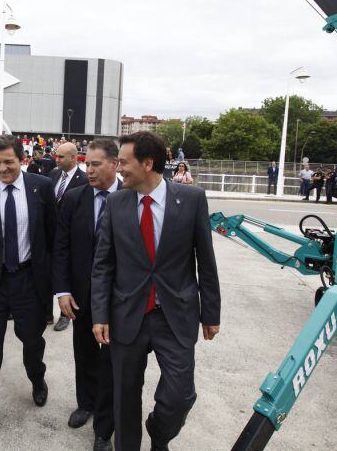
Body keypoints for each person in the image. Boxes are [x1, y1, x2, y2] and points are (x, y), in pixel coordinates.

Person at [91, 131, 220, 451]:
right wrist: (100, 314)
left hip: (174, 315)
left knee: (179, 396)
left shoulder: (191, 199)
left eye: (123, 161)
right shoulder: (117, 202)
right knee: (126, 398)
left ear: (148, 163)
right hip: (127, 314)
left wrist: (211, 313)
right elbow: (103, 264)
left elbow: (206, 259)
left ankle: (159, 434)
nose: (118, 168)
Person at [0, 135, 57, 444]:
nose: (1, 168)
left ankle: (37, 377)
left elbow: (52, 239)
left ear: (22, 159)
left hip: (29, 280)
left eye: (8, 162)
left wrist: (56, 285)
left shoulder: (40, 188)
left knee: (31, 341)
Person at [53, 139, 121, 451]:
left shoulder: (132, 197)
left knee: (112, 360)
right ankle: (86, 403)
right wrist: (63, 291)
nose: (88, 170)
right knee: (84, 351)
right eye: (86, 164)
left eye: (95, 164)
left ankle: (107, 420)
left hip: (120, 298)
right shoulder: (74, 198)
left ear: (115, 164)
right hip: (81, 294)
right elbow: (61, 248)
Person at [48, 142, 88, 331]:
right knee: (47, 273)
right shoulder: (53, 175)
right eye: (57, 156)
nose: (57, 159)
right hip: (51, 234)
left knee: (67, 274)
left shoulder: (85, 180)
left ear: (74, 158)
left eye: (61, 157)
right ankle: (47, 312)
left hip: (71, 237)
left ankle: (66, 314)